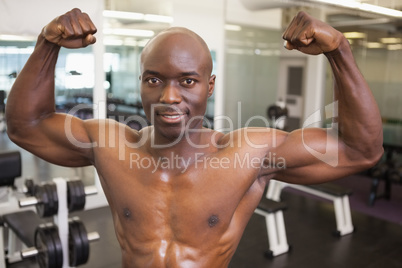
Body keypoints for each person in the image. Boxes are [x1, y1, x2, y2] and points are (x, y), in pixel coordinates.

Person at [6, 8, 383, 268]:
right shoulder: (109, 145)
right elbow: (27, 125)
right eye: (154, 79)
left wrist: (340, 51)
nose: (170, 97)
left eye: (187, 81)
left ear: (210, 86)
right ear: (141, 82)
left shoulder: (249, 153)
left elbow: (359, 150)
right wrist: (46, 43)